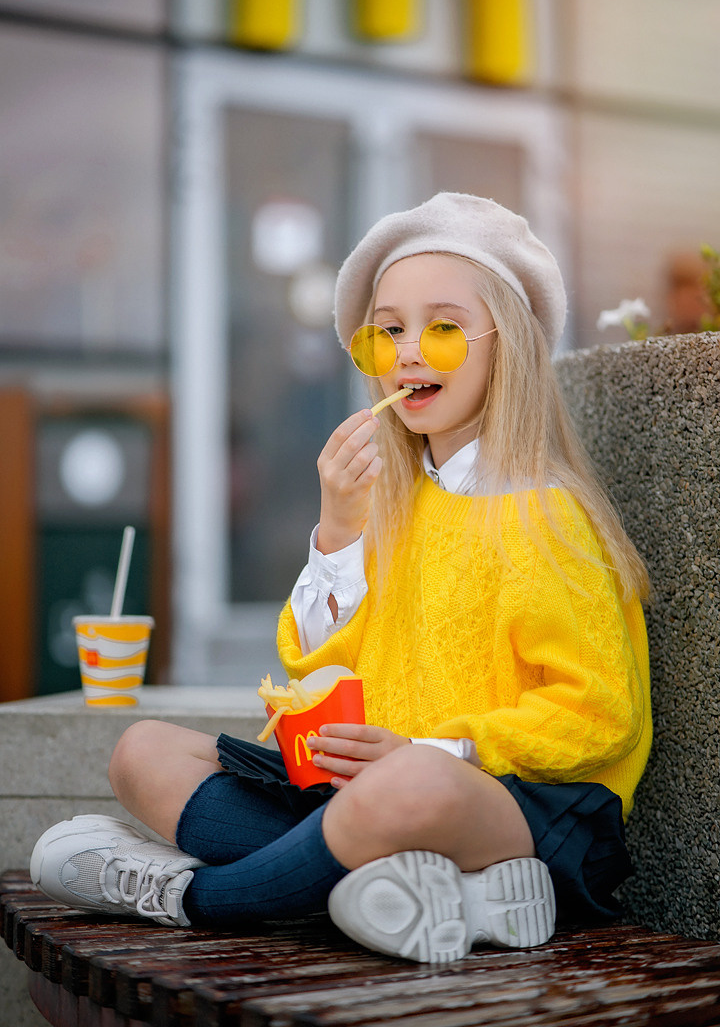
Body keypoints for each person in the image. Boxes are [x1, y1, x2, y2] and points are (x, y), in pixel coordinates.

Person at [30, 194, 652, 965]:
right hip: (363, 797)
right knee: (143, 751)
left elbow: (600, 715)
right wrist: (337, 531)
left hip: (516, 806)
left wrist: (430, 749)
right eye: (387, 331)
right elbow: (315, 665)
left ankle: (191, 896)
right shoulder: (389, 503)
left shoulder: (543, 513)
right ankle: (431, 893)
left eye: (444, 328)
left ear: (510, 347)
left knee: (411, 786)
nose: (409, 351)